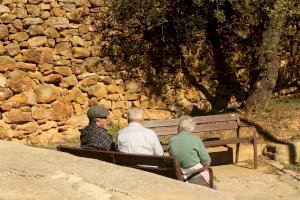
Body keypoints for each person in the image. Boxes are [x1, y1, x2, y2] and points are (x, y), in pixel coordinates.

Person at [168, 116, 211, 187]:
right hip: (196, 177)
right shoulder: (195, 139)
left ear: (179, 127)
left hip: (180, 177)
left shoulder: (171, 141)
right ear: (191, 128)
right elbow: (207, 161)